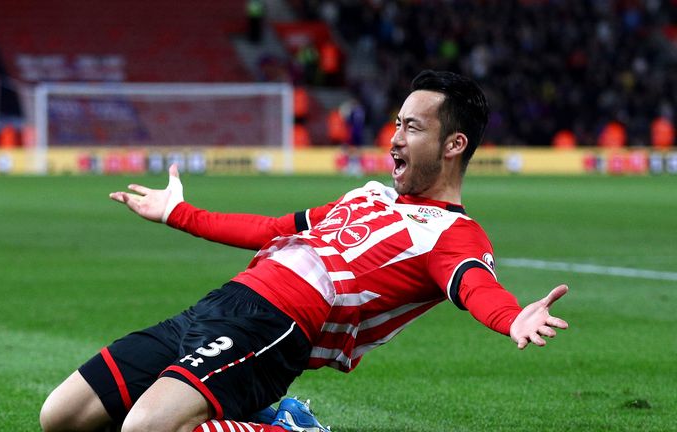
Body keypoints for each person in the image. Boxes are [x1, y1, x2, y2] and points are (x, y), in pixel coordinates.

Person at [40, 70, 569, 432]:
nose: (394, 139)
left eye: (412, 127)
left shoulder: (453, 233)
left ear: (454, 145)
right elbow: (274, 228)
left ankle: (287, 424)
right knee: (61, 416)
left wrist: (510, 318)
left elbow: (475, 283)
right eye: (396, 124)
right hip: (223, 303)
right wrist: (179, 214)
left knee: (148, 426)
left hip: (279, 324)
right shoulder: (367, 195)